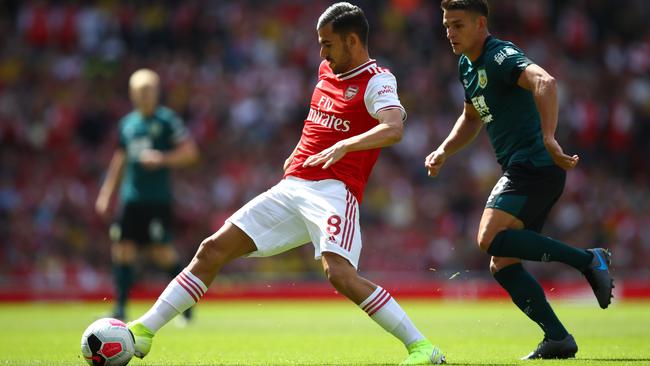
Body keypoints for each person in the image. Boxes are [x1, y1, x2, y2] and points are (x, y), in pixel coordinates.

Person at [127, 3, 445, 365]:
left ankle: (422, 348)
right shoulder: (327, 70)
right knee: (212, 248)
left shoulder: (377, 79)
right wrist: (296, 151)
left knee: (339, 274)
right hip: (293, 186)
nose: (321, 52)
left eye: (328, 44)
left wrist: (345, 145)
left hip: (334, 191)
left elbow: (393, 128)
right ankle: (144, 330)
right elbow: (318, 121)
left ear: (352, 40)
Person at [425, 0, 614, 360]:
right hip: (523, 167)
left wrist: (549, 137)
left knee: (489, 238)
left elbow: (545, 81)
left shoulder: (499, 55)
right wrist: (444, 150)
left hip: (535, 163)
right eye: (447, 25)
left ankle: (588, 260)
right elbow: (470, 118)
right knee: (503, 261)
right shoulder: (467, 64)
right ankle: (558, 337)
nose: (450, 33)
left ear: (481, 24)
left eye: (458, 25)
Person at [95, 69, 200, 322]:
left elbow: (190, 153)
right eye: (141, 91)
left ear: (157, 92)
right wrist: (106, 193)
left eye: (150, 90)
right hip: (130, 199)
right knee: (122, 249)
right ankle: (119, 308)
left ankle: (186, 304)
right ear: (132, 94)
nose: (146, 95)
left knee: (162, 252)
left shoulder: (167, 121)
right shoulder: (127, 125)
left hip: (157, 200)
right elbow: (120, 159)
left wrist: (162, 158)